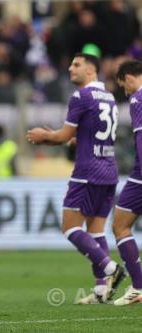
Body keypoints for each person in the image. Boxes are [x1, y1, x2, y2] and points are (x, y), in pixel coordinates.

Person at [27, 53, 125, 304]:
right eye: (71, 64)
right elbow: (81, 136)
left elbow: (62, 137)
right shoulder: (109, 97)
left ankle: (110, 268)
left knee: (70, 227)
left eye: (77, 65)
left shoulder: (81, 96)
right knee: (96, 230)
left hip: (87, 171)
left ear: (92, 71)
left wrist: (43, 136)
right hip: (108, 170)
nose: (71, 68)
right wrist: (58, 137)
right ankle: (102, 290)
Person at [112, 59, 142, 305]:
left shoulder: (137, 99)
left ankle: (139, 287)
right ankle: (138, 287)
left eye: (123, 86)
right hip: (137, 175)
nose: (125, 91)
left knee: (120, 226)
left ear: (129, 78)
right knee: (120, 224)